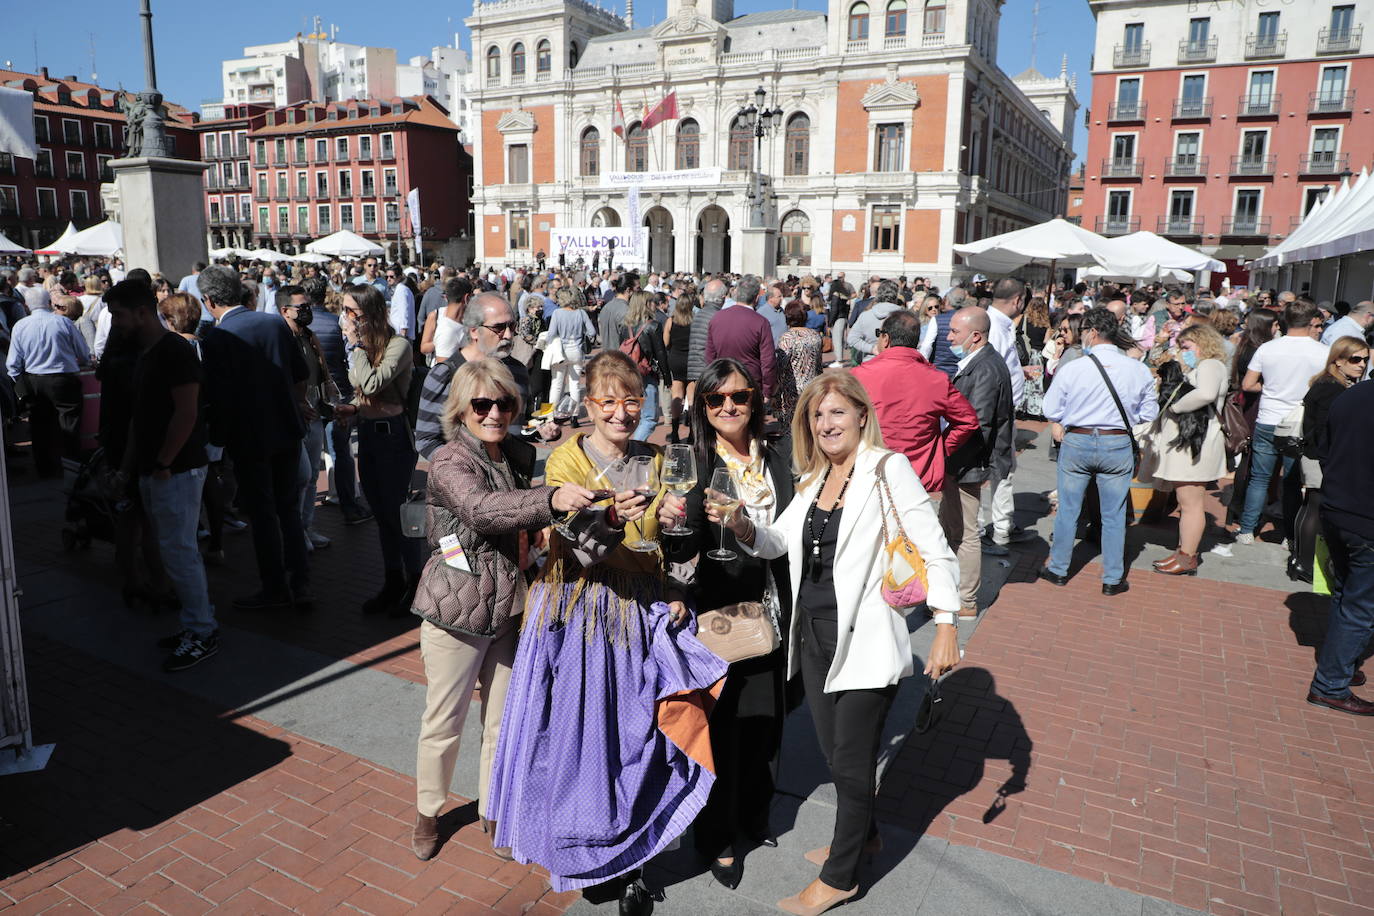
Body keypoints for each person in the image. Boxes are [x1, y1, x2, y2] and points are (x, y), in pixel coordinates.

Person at [487, 351, 726, 914]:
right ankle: (589, 851)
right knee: (580, 741)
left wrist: (676, 555)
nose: (621, 414)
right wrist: (615, 518)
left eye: (632, 401)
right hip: (579, 615)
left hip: (640, 610)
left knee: (639, 738)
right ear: (589, 404)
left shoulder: (659, 456)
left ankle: (635, 854)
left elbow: (674, 546)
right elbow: (579, 546)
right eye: (608, 402)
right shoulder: (566, 461)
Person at [719, 370, 960, 916]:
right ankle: (864, 835)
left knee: (851, 765)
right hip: (812, 635)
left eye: (836, 413)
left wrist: (946, 623)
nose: (825, 423)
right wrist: (743, 527)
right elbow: (779, 538)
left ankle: (841, 876)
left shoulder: (886, 469)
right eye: (816, 415)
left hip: (866, 637)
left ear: (860, 416)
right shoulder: (815, 476)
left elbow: (934, 546)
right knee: (835, 755)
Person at [410, 359, 594, 861]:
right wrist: (549, 499)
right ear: (462, 410)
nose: (494, 413)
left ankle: (495, 809)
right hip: (458, 606)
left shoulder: (514, 450)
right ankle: (429, 813)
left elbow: (521, 509)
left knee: (503, 723)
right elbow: (482, 511)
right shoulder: (449, 461)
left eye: (504, 404)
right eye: (482, 405)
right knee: (443, 721)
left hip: (511, 607)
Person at [658, 359, 794, 890]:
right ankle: (717, 839)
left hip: (772, 610)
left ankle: (754, 817)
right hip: (719, 613)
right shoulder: (696, 461)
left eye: (739, 396)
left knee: (764, 724)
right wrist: (670, 529)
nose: (729, 407)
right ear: (703, 408)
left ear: (754, 401)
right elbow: (685, 546)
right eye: (716, 400)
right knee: (723, 729)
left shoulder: (776, 458)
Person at [107, 279, 219, 671]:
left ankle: (202, 630)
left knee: (180, 552)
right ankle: (196, 625)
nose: (114, 322)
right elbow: (141, 418)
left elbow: (186, 412)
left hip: (178, 470)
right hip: (157, 469)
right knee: (176, 552)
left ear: (141, 311)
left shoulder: (174, 350)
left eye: (118, 315)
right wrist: (129, 466)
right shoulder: (146, 352)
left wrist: (164, 462)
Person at [200, 265, 313, 610]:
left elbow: (218, 397)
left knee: (263, 514)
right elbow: (300, 374)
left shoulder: (218, 339)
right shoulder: (273, 323)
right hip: (285, 429)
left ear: (208, 300)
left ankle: (275, 587)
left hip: (250, 438)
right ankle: (300, 581)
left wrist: (216, 445)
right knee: (288, 508)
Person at [1040, 308, 1158, 595]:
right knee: (1114, 514)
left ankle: (1058, 569)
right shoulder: (1138, 368)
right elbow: (1148, 412)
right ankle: (1113, 577)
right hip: (1116, 441)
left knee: (1068, 508)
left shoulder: (1074, 367)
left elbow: (1050, 409)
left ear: (1092, 332)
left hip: (1078, 440)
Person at [851, 309, 978, 496]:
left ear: (885, 339)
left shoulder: (860, 375)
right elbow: (968, 420)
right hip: (919, 473)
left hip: (871, 468)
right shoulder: (936, 379)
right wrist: (940, 449)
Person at [1306, 374, 1374, 715]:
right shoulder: (1349, 396)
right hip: (1363, 518)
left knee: (1348, 596)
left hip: (1337, 509)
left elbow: (1323, 449)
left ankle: (1340, 666)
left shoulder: (1351, 395)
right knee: (1360, 605)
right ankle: (1331, 682)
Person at [1236, 299, 1328, 546]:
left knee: (1259, 478)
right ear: (1311, 322)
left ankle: (1246, 529)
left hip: (1268, 417)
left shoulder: (1268, 348)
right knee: (1292, 482)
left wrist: (1270, 388)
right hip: (1298, 421)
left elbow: (1247, 384)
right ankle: (1290, 534)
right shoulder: (1323, 352)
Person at [945, 306, 1015, 621]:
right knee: (955, 526)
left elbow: (977, 422)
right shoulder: (980, 361)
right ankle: (957, 591)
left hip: (966, 461)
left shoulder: (985, 367)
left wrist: (945, 452)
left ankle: (966, 599)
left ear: (975, 336)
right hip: (964, 460)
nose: (948, 337)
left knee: (964, 530)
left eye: (954, 333)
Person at [1150, 325, 1230, 576]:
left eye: (1187, 347)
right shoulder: (1205, 366)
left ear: (1202, 343)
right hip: (1192, 442)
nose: (1183, 352)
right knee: (1188, 502)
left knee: (1191, 502)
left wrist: (1176, 408)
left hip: (1197, 443)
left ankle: (1187, 557)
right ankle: (1183, 551)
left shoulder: (1210, 365)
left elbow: (1205, 394)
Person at [1290, 336, 1369, 583]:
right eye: (1355, 359)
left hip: (1314, 453)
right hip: (1317, 455)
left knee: (1309, 505)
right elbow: (1323, 428)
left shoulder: (1330, 383)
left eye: (1365, 360)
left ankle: (1299, 560)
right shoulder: (1331, 387)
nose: (1361, 365)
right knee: (1314, 506)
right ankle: (1304, 563)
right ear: (1338, 360)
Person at [5, 286, 89, 477]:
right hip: (63, 379)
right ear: (49, 303)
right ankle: (72, 467)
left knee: (40, 427)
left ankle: (45, 468)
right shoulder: (63, 323)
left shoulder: (20, 326)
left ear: (26, 305)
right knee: (69, 425)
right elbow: (83, 353)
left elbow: (13, 363)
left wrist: (19, 383)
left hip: (35, 380)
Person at [278, 285, 333, 552]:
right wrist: (297, 404)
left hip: (314, 412)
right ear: (284, 311)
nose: (307, 312)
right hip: (293, 417)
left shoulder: (309, 337)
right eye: (302, 308)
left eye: (308, 306)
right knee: (300, 477)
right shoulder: (281, 340)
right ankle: (295, 532)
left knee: (311, 476)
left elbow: (320, 373)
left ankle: (306, 527)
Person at [982, 279, 1028, 554]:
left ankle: (1003, 524)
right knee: (999, 469)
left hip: (1001, 411)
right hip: (998, 413)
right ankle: (999, 527)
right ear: (1018, 300)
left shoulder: (999, 325)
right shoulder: (995, 327)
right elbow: (992, 373)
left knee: (1003, 468)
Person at [706, 275, 777, 403]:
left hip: (723, 381)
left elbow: (710, 357)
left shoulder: (717, 318)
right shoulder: (760, 322)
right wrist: (767, 390)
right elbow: (768, 361)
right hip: (749, 383)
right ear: (756, 298)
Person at [538, 285, 597, 427]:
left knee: (556, 385)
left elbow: (551, 334)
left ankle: (550, 416)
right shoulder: (581, 313)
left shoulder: (557, 313)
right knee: (575, 385)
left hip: (560, 352)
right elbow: (592, 332)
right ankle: (574, 417)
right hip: (576, 351)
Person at [622, 290, 669, 441]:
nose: (655, 305)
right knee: (649, 418)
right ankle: (635, 449)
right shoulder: (653, 326)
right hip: (646, 375)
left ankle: (632, 447)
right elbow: (660, 353)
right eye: (652, 302)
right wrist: (667, 377)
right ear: (646, 304)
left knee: (633, 415)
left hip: (628, 374)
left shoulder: (625, 325)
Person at [776, 300, 824, 428]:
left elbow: (781, 367)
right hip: (813, 386)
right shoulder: (815, 336)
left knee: (793, 426)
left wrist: (776, 393)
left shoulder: (787, 338)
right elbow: (819, 365)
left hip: (793, 390)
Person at [686, 279, 726, 408]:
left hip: (695, 367)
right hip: (707, 368)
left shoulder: (699, 314)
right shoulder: (717, 316)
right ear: (722, 298)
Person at [662, 290, 695, 442]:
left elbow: (666, 342)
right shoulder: (695, 321)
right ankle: (692, 433)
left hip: (675, 359)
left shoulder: (671, 321)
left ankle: (675, 431)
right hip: (692, 360)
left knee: (677, 395)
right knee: (692, 396)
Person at [847, 279, 903, 364]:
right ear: (896, 295)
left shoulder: (865, 315)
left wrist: (871, 348)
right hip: (897, 362)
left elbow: (852, 338)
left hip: (871, 363)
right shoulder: (906, 316)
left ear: (878, 295)